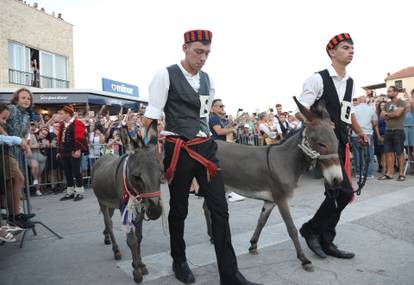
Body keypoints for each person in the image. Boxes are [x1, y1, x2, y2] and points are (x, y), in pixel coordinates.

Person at [143, 29, 260, 285]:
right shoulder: (165, 74)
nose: (203, 57)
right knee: (179, 209)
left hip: (205, 148)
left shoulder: (208, 79)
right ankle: (179, 260)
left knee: (220, 207)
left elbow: (204, 116)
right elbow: (151, 117)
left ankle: (230, 274)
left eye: (207, 53)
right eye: (198, 51)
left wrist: (208, 139)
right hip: (179, 148)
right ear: (184, 48)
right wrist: (148, 152)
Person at [296, 33, 369, 259]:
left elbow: (348, 111)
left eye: (352, 48)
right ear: (332, 52)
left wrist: (359, 132)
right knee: (342, 193)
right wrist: (320, 123)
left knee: (340, 194)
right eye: (346, 47)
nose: (351, 51)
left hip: (342, 142)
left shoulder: (350, 82)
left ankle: (325, 238)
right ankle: (312, 230)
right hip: (324, 147)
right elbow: (301, 110)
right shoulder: (317, 79)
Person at [209, 99, 244, 202]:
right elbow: (219, 132)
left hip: (222, 148)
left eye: (223, 106)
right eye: (220, 106)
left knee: (225, 171)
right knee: (226, 171)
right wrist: (232, 129)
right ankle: (231, 193)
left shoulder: (219, 119)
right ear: (213, 108)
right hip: (219, 148)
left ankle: (228, 193)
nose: (222, 108)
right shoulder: (214, 118)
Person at [57, 105, 88, 201]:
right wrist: (59, 151)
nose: (60, 115)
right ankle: (70, 192)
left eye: (62, 113)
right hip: (64, 152)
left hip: (74, 151)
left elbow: (80, 137)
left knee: (76, 172)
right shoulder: (62, 125)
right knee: (67, 172)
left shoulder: (77, 123)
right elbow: (60, 139)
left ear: (67, 114)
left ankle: (79, 192)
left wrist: (78, 150)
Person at [378, 86, 407, 181]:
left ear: (396, 92)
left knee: (400, 153)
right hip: (388, 130)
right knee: (388, 153)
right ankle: (389, 173)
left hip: (398, 130)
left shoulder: (401, 102)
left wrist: (388, 114)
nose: (388, 93)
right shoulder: (387, 104)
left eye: (390, 91)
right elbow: (382, 116)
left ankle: (401, 174)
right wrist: (390, 114)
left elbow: (397, 114)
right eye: (387, 91)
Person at [351, 95, 376, 179]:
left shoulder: (354, 109)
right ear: (365, 100)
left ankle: (359, 173)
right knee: (368, 154)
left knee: (357, 154)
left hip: (355, 134)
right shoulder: (371, 109)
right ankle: (369, 174)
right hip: (368, 133)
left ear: (359, 100)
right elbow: (375, 122)